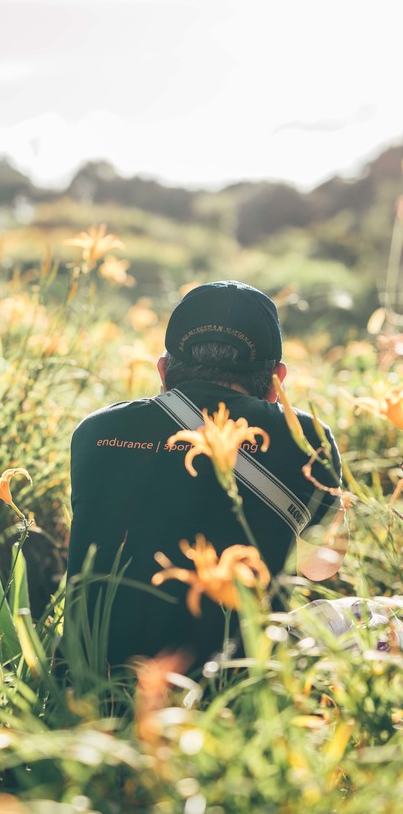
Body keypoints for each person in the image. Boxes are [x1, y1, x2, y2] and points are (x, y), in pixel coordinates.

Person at [65, 280, 347, 673]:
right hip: (232, 688)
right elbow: (323, 566)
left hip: (92, 684)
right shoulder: (306, 436)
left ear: (163, 370)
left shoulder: (95, 431)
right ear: (277, 381)